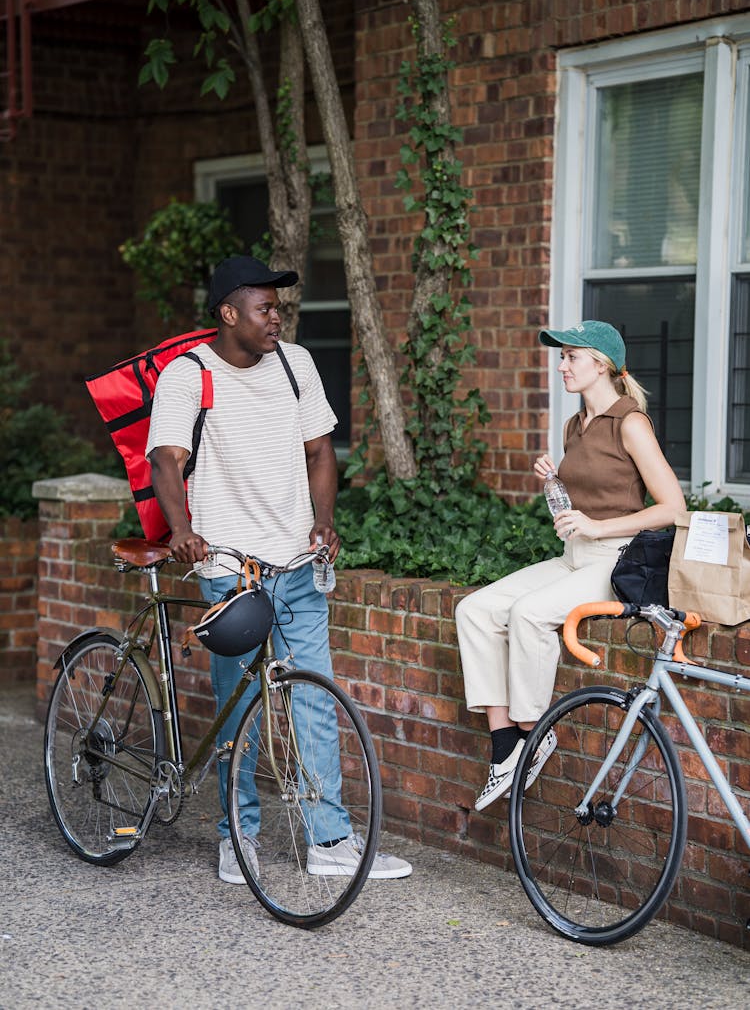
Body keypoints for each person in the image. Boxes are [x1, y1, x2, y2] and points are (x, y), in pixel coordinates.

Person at [146, 253, 412, 882]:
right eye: (265, 307)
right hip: (230, 570)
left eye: (279, 306)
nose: (277, 317)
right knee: (240, 710)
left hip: (295, 564)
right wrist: (182, 530)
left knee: (314, 701)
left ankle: (330, 842)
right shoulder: (189, 376)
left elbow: (320, 451)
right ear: (230, 312)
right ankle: (236, 836)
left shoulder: (297, 364)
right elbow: (164, 460)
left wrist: (322, 520)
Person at [455, 320, 686, 811]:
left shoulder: (630, 422)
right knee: (474, 610)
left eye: (571, 357)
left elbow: (673, 507)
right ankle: (507, 749)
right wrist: (554, 483)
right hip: (573, 557)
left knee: (529, 614)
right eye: (561, 357)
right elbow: (578, 510)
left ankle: (533, 734)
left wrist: (600, 528)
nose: (561, 366)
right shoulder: (574, 425)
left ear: (600, 365)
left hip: (617, 560)